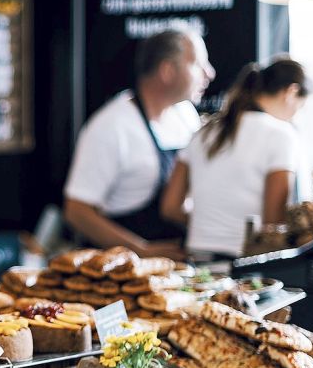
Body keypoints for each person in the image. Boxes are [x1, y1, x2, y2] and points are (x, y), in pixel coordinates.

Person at [64, 28, 216, 260]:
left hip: (176, 264)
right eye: (197, 64)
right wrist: (141, 251)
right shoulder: (111, 127)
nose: (209, 73)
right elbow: (77, 212)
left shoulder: (185, 115)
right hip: (120, 270)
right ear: (167, 71)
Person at [160, 58, 312, 263]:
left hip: (197, 259)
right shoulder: (281, 135)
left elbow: (170, 207)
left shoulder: (203, 132)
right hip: (246, 263)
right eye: (300, 107)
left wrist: (209, 225)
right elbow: (273, 224)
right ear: (291, 93)